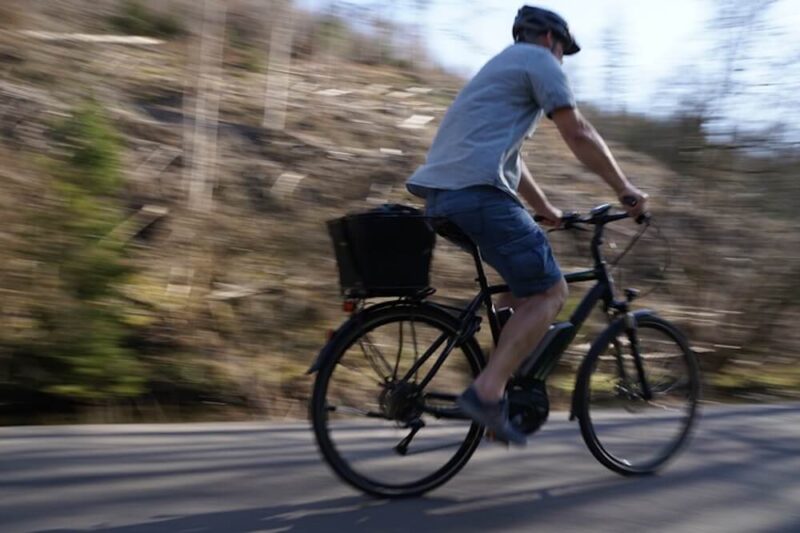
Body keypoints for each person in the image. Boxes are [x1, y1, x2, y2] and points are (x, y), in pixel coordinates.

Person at [405, 5, 649, 445]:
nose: (561, 61)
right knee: (552, 292)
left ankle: (504, 389)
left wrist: (545, 208)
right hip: (478, 194)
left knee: (519, 292)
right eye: (563, 52)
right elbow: (578, 133)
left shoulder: (498, 68)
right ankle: (487, 392)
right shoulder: (538, 62)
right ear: (551, 41)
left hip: (442, 197)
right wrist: (625, 189)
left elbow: (511, 160)